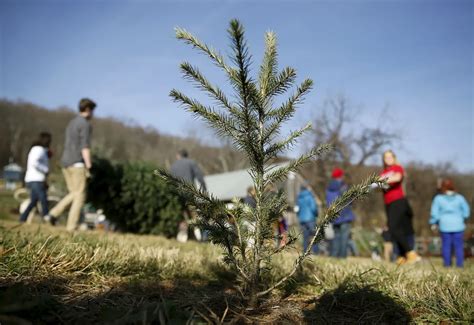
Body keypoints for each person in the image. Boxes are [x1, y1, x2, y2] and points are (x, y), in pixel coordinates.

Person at [45, 98, 96, 231]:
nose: (93, 114)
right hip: (77, 163)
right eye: (93, 110)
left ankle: (52, 214)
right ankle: (71, 226)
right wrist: (89, 164)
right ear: (88, 109)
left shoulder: (72, 123)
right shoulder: (85, 124)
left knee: (74, 193)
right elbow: (84, 145)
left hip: (65, 162)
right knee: (80, 195)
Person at [379, 150, 420, 264]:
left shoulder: (397, 168)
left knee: (393, 227)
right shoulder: (383, 172)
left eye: (390, 157)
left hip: (398, 201)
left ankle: (410, 253)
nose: (388, 159)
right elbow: (379, 187)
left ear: (394, 158)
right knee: (396, 229)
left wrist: (381, 181)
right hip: (388, 203)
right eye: (385, 157)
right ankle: (402, 257)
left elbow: (397, 178)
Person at [430, 179, 470, 267]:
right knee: (459, 246)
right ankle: (460, 265)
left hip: (444, 225)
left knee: (446, 246)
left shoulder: (438, 199)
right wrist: (462, 217)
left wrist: (433, 222)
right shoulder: (460, 198)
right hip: (458, 225)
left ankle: (447, 265)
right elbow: (466, 212)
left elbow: (434, 213)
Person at [170, 149, 206, 242]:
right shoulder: (191, 162)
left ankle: (180, 236)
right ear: (186, 155)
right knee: (194, 215)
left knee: (181, 214)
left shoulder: (173, 165)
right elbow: (200, 176)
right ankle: (200, 237)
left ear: (178, 155)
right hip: (189, 192)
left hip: (176, 194)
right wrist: (204, 189)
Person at [19, 132, 52, 223]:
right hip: (36, 179)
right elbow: (35, 162)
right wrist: (45, 170)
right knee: (43, 197)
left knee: (34, 200)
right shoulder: (39, 149)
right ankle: (47, 216)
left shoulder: (37, 149)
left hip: (31, 178)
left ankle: (23, 218)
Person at [326, 168, 355, 258]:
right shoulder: (343, 186)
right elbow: (350, 199)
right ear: (340, 176)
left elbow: (328, 202)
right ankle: (342, 257)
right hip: (345, 215)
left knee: (336, 237)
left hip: (334, 216)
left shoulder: (328, 188)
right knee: (344, 238)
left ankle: (334, 256)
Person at [296, 184, 318, 254]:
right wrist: (316, 214)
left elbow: (297, 210)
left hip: (302, 220)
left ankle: (305, 252)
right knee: (314, 236)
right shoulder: (310, 197)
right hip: (310, 219)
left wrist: (300, 216)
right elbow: (314, 208)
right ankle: (315, 251)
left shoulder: (299, 198)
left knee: (305, 237)